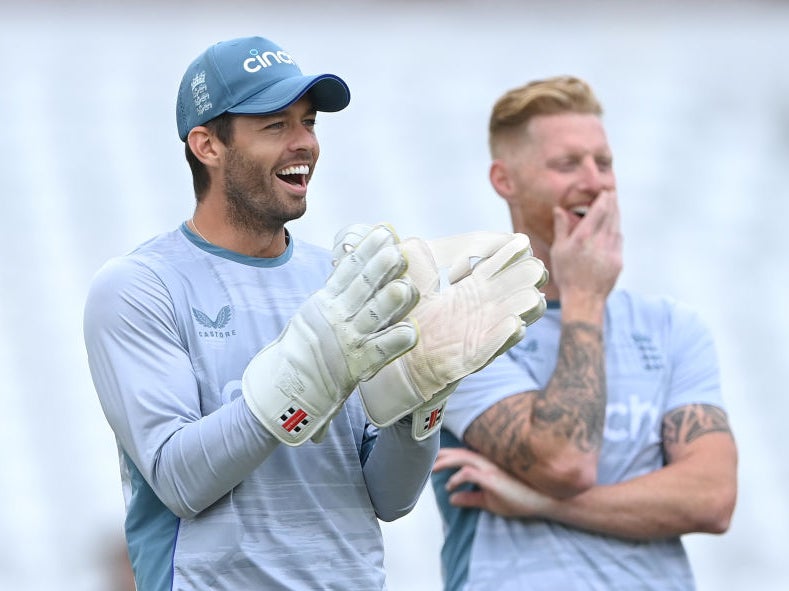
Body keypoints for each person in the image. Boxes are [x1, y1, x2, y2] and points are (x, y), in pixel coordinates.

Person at [82, 35, 548, 591]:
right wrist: (307, 370)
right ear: (207, 145)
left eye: (309, 122)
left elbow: (390, 498)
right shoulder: (139, 287)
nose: (304, 143)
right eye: (275, 125)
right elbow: (181, 482)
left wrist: (421, 400)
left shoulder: (337, 279)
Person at [431, 76, 738, 590]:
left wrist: (539, 504)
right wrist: (586, 298)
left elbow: (712, 498)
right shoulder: (459, 325)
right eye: (567, 164)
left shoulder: (672, 326)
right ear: (504, 180)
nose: (595, 183)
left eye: (605, 163)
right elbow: (564, 462)